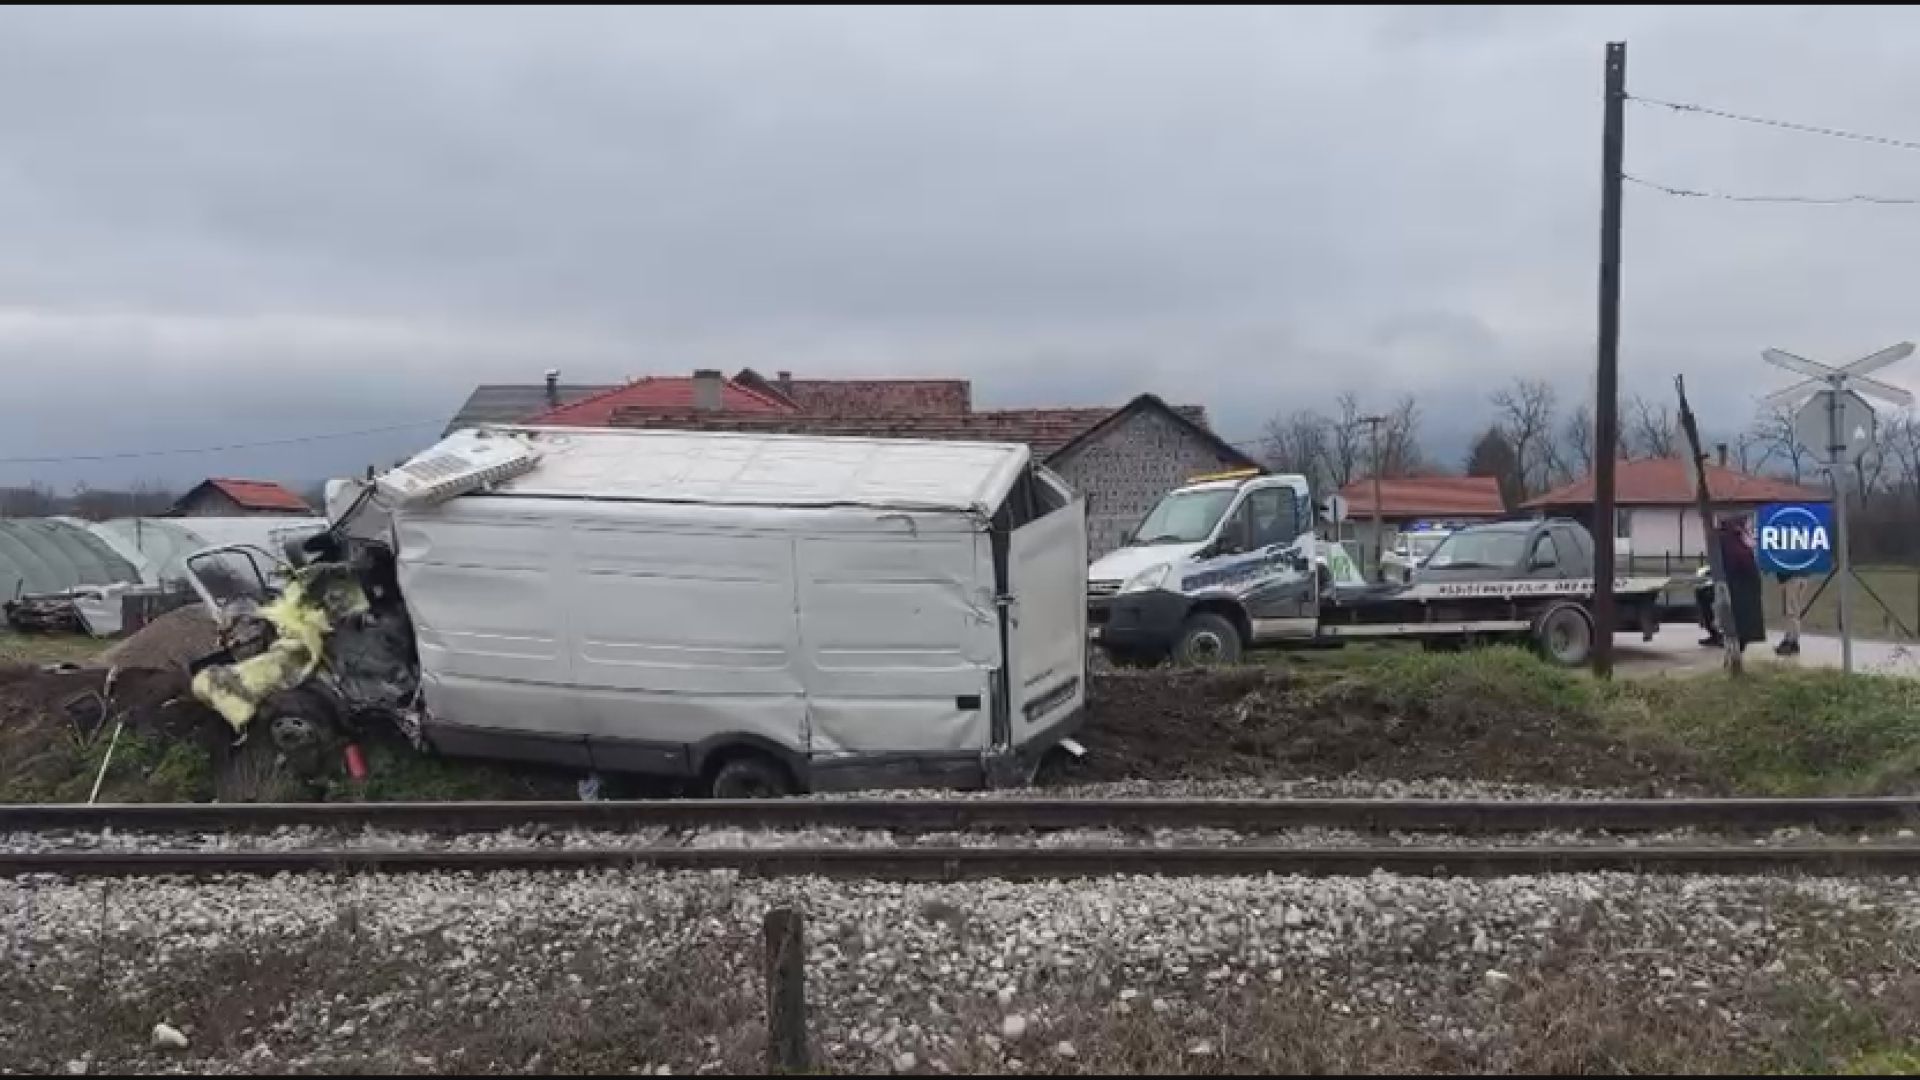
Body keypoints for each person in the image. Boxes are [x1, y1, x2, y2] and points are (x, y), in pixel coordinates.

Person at [1717, 516, 1766, 651]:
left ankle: (1739, 640)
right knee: (1741, 614)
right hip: (1741, 581)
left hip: (1741, 582)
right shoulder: (1733, 539)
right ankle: (1739, 640)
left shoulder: (1731, 539)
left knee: (1741, 615)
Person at [1775, 571, 1806, 657]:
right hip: (1800, 577)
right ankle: (1792, 641)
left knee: (1790, 612)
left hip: (1791, 578)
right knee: (1794, 611)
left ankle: (1790, 641)